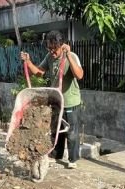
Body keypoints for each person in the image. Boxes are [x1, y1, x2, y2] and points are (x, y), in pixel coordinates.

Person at [20, 31, 84, 169]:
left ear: (62, 46)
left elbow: (79, 75)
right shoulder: (49, 57)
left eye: (54, 49)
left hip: (70, 101)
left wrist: (68, 56)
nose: (52, 52)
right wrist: (28, 62)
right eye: (49, 48)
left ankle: (72, 159)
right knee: (56, 129)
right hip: (56, 101)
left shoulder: (72, 56)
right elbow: (39, 72)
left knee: (71, 132)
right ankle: (57, 155)